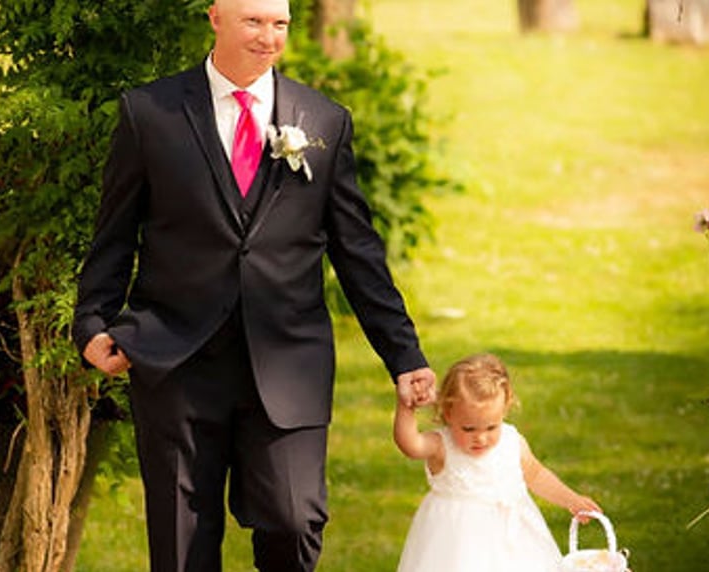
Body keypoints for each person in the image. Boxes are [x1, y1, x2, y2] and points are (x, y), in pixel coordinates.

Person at [71, 0, 436, 570]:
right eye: (254, 21)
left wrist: (403, 354)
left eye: (280, 24)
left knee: (294, 521)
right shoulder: (149, 113)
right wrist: (92, 323)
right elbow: (115, 232)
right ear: (215, 17)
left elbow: (357, 250)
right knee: (182, 544)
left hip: (288, 359)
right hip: (176, 357)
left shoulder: (323, 121)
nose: (269, 37)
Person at [393, 353, 600, 572]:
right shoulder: (442, 446)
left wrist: (571, 500)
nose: (481, 438)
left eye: (491, 427)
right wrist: (406, 406)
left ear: (505, 409)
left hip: (514, 542)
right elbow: (410, 445)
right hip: (458, 544)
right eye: (469, 429)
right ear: (448, 413)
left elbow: (537, 475)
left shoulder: (512, 442)